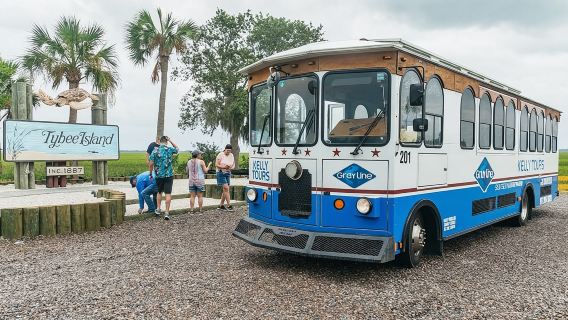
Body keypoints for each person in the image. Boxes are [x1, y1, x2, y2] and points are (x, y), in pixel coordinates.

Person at [148, 136, 179, 220]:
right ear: (166, 142)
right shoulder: (169, 149)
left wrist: (150, 173)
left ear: (159, 142)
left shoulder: (155, 150)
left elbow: (150, 164)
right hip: (169, 175)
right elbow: (177, 148)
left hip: (159, 175)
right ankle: (167, 212)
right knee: (168, 194)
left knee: (159, 192)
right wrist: (171, 140)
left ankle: (158, 208)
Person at [215, 144, 235, 211]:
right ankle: (229, 205)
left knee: (225, 190)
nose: (228, 152)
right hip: (220, 172)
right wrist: (223, 167)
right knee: (226, 188)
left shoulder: (231, 155)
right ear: (225, 149)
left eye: (229, 151)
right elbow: (216, 164)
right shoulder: (220, 155)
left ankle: (221, 205)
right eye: (227, 150)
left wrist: (231, 168)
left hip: (228, 172)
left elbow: (233, 164)